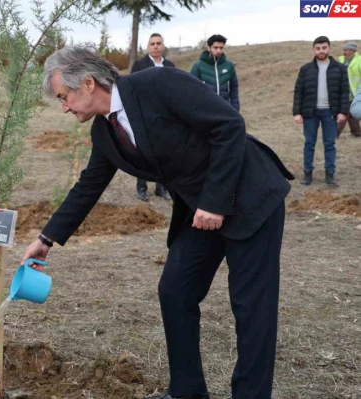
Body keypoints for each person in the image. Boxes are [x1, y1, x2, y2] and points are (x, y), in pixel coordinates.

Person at [21, 46, 294, 399]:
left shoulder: (159, 84)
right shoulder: (105, 133)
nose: (64, 107)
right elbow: (88, 186)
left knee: (250, 306)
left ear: (87, 83)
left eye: (64, 97)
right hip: (201, 213)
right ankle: (187, 391)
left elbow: (229, 126)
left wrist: (214, 202)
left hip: (249, 196)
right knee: (175, 290)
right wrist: (46, 239)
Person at [293, 36, 349, 186]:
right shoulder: (305, 69)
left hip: (330, 113)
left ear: (329, 48)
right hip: (310, 112)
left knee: (329, 144)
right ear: (314, 50)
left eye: (324, 48)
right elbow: (299, 92)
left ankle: (330, 174)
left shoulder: (340, 68)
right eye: (318, 48)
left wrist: (343, 112)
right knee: (309, 143)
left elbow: (345, 92)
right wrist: (297, 112)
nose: (321, 51)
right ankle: (308, 174)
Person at [129, 33, 174, 202]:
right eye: (152, 43)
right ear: (148, 46)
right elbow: (131, 88)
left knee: (164, 153)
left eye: (159, 43)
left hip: (165, 117)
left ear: (163, 46)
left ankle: (161, 188)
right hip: (144, 115)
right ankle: (142, 187)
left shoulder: (169, 65)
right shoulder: (140, 65)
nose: (156, 46)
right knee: (144, 153)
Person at [190, 34, 240, 112]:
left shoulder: (229, 65)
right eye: (215, 47)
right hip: (206, 111)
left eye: (221, 48)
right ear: (209, 47)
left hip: (226, 110)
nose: (219, 51)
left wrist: (235, 108)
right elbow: (191, 90)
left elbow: (234, 88)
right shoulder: (198, 66)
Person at [337, 42, 361, 137]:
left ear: (352, 51)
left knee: (344, 112)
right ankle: (357, 133)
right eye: (343, 50)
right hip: (343, 91)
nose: (344, 52)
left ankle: (334, 133)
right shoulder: (341, 61)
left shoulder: (359, 61)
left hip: (355, 92)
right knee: (350, 113)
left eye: (346, 50)